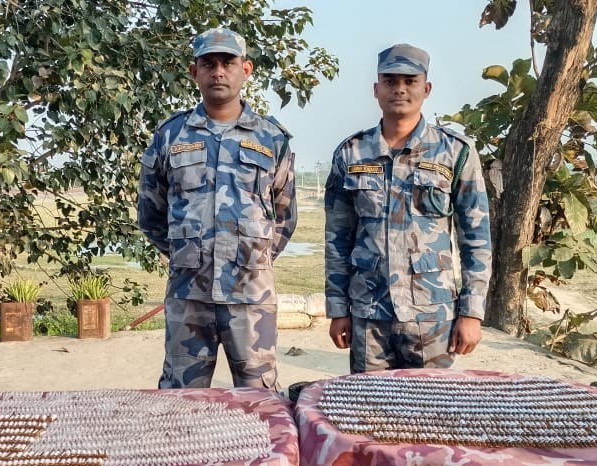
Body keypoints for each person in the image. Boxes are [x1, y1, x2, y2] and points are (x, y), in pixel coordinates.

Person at [137, 28, 296, 389]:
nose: (219, 72)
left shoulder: (272, 138)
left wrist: (251, 257)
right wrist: (188, 253)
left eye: (228, 63)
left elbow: (285, 216)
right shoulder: (171, 136)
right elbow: (151, 213)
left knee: (260, 400)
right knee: (180, 399)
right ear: (195, 72)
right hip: (189, 294)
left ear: (247, 69)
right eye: (209, 64)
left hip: (251, 296)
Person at [324, 43, 492, 373]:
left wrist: (472, 312)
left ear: (426, 88)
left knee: (431, 414)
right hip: (368, 313)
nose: (399, 89)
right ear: (376, 89)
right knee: (367, 412)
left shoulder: (454, 152)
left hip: (432, 316)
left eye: (410, 81)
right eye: (390, 81)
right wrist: (337, 308)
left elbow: (476, 238)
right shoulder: (352, 154)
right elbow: (337, 240)